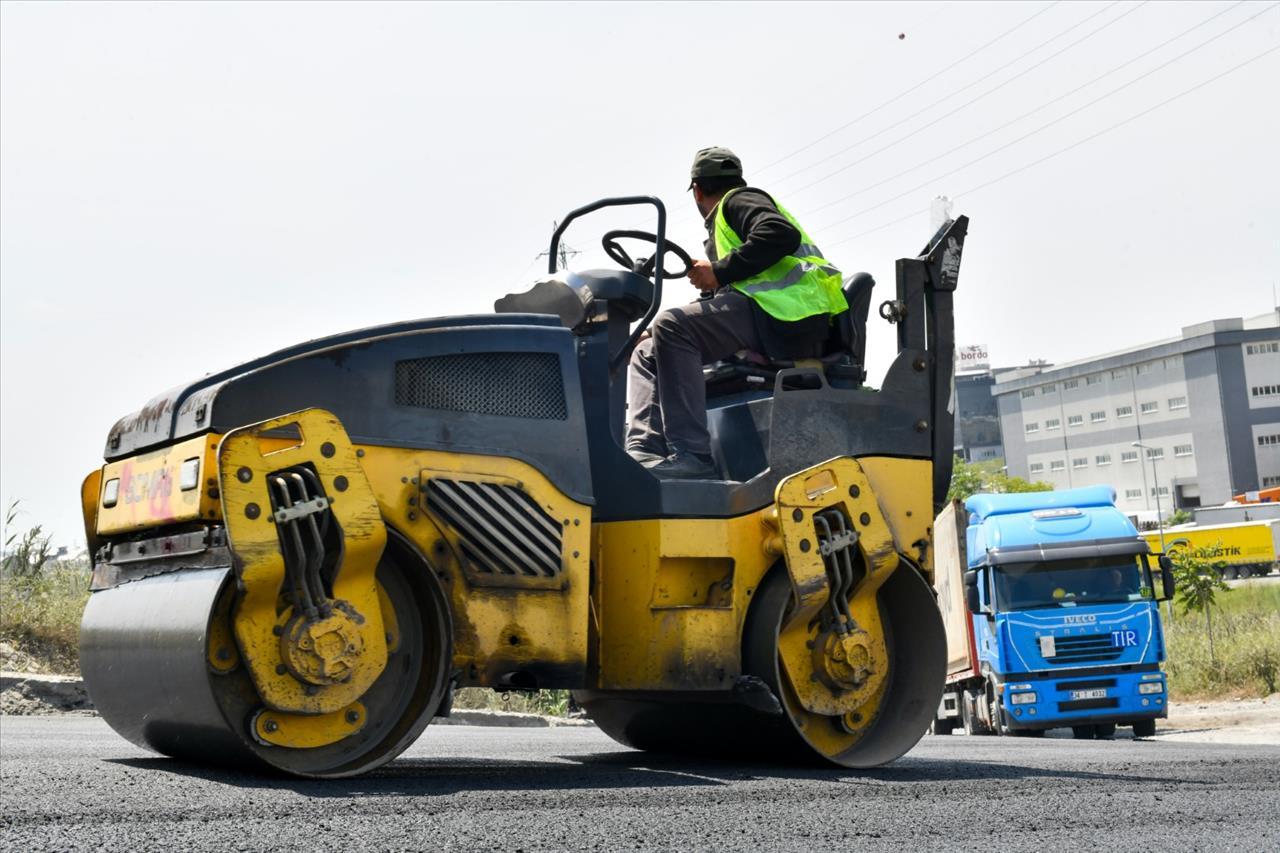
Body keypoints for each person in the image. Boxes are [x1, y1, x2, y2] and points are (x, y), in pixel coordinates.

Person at [626, 147, 847, 479]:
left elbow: (779, 234)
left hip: (789, 317)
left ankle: (693, 456)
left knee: (672, 324)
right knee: (647, 349)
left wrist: (719, 270)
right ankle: (643, 452)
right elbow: (734, 291)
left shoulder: (738, 201)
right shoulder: (727, 224)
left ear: (697, 190)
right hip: (768, 315)